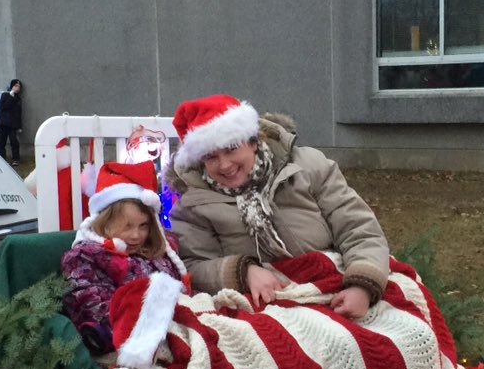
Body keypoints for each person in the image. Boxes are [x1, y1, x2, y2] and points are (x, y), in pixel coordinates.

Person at [166, 94, 389, 320]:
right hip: (262, 302)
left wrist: (362, 286)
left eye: (231, 149)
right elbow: (193, 265)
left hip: (337, 282)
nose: (224, 165)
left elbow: (359, 228)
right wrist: (243, 271)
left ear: (252, 142)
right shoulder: (193, 204)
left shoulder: (309, 167)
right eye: (211, 157)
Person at [60, 160, 186, 357]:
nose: (136, 235)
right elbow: (95, 306)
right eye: (127, 226)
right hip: (126, 340)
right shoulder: (84, 258)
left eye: (143, 226)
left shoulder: (157, 251)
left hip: (176, 329)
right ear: (105, 221)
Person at [0, 78, 23, 165]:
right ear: (11, 86)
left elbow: (19, 114)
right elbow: (2, 107)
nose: (17, 88)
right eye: (15, 86)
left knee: (14, 142)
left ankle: (16, 159)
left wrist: (19, 126)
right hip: (2, 123)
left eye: (19, 86)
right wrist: (11, 96)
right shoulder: (5, 95)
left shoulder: (18, 99)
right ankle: (2, 160)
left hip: (12, 125)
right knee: (1, 143)